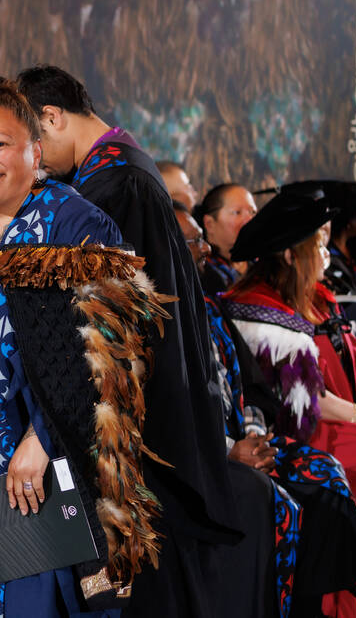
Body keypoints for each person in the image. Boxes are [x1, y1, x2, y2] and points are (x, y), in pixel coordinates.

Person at [0, 76, 168, 617]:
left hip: (31, 468)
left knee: (28, 605)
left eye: (0, 144)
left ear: (35, 150)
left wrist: (42, 437)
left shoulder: (73, 223)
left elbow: (117, 348)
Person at [17, 65, 240, 617]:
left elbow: (108, 331)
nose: (32, 159)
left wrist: (46, 432)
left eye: (29, 141)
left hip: (134, 430)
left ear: (52, 118)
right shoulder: (125, 171)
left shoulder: (114, 187)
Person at [175, 203, 356, 618]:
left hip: (245, 439)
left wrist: (252, 433)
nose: (206, 250)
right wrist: (230, 448)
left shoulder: (208, 305)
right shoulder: (158, 317)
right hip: (200, 457)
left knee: (329, 480)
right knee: (291, 499)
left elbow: (255, 389)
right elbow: (169, 412)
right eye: (195, 241)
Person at [222, 191, 356, 613]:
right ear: (292, 256)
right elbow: (305, 402)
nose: (326, 251)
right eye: (317, 243)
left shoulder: (319, 298)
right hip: (314, 439)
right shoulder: (255, 309)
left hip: (355, 426)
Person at [195, 183, 258, 297]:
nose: (249, 219)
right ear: (209, 223)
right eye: (237, 212)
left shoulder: (261, 265)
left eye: (252, 212)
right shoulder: (201, 271)